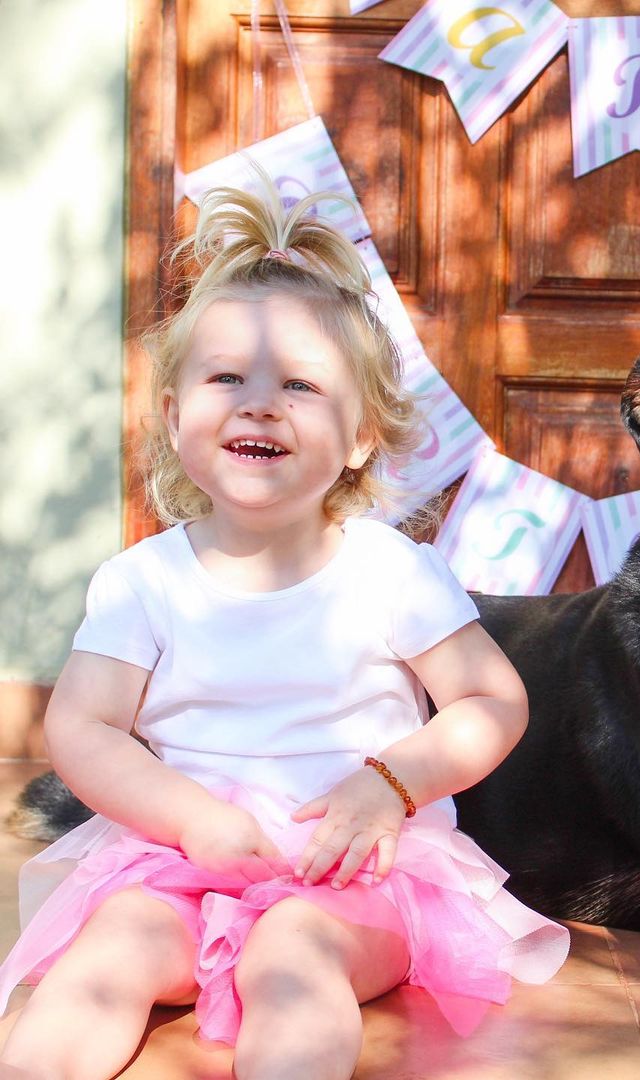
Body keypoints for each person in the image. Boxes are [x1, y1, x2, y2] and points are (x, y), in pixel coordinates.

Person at [0, 180, 569, 1080]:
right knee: (109, 948)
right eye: (226, 377)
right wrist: (190, 820)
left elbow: (491, 699)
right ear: (175, 414)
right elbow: (82, 725)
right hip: (184, 858)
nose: (258, 404)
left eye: (299, 385)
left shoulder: (387, 572)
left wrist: (392, 781)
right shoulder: (143, 581)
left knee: (293, 956)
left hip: (355, 877)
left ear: (358, 438)